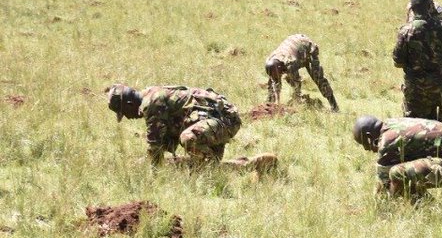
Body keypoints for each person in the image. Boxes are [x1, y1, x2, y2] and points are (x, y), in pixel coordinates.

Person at [106, 83, 271, 171]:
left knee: (191, 145)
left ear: (129, 103)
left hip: (225, 121)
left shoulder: (151, 103)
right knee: (187, 164)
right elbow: (165, 143)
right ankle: (242, 165)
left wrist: (154, 177)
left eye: (124, 112)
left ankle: (243, 166)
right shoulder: (151, 94)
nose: (128, 117)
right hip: (211, 124)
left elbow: (154, 146)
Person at [353, 115, 442, 201]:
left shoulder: (386, 141)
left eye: (363, 144)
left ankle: (427, 211)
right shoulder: (393, 124)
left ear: (369, 136)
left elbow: (384, 187)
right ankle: (431, 210)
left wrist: (380, 214)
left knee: (397, 174)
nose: (366, 149)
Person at [393, 0, 442, 121]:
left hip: (415, 90)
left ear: (412, 9)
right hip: (439, 88)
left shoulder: (406, 31)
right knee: (439, 129)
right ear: (429, 7)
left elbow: (398, 61)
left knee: (413, 127)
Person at [264, 34, 339, 111]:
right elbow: (275, 81)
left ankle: (334, 106)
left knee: (317, 77)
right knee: (271, 84)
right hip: (294, 50)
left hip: (307, 48)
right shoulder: (271, 61)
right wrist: (277, 102)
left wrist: (296, 101)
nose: (276, 77)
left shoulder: (290, 63)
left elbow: (297, 83)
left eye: (277, 75)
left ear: (280, 68)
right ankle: (270, 103)